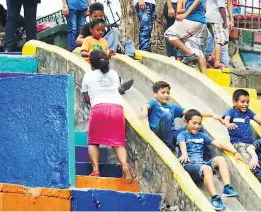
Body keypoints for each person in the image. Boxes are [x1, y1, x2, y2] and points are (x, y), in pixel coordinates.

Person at [81, 50, 135, 183]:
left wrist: (91, 103)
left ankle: (95, 170)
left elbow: (86, 96)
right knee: (118, 142)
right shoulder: (114, 74)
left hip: (99, 108)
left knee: (93, 141)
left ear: (91, 64)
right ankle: (124, 165)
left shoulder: (88, 76)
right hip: (116, 108)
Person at [177, 109, 244, 211]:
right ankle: (215, 198)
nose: (197, 126)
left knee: (220, 159)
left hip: (201, 164)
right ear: (186, 122)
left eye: (199, 124)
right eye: (194, 123)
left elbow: (218, 144)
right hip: (190, 165)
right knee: (207, 168)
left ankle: (227, 187)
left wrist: (235, 152)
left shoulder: (201, 135)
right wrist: (185, 154)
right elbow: (182, 144)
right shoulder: (182, 135)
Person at [138, 81, 223, 151]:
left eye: (168, 93)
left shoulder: (172, 107)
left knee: (197, 125)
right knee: (167, 115)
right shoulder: (154, 103)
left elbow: (191, 113)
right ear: (155, 94)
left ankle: (202, 149)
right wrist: (145, 110)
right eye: (163, 92)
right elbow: (145, 106)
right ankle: (169, 145)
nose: (166, 95)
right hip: (158, 133)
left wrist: (211, 115)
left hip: (172, 135)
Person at [164, 0, 208, 74]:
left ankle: (189, 53)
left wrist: (185, 15)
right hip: (201, 22)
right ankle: (206, 80)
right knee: (198, 51)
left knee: (169, 34)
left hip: (193, 21)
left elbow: (197, 0)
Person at [222, 89, 261, 161]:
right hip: (238, 143)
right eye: (242, 102)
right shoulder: (231, 111)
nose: (246, 104)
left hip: (250, 143)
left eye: (247, 102)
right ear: (234, 102)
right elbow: (226, 119)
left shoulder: (248, 112)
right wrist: (228, 124)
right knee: (247, 159)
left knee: (260, 157)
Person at [205, 0, 228, 69]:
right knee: (219, 40)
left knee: (222, 39)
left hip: (208, 18)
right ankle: (217, 62)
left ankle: (213, 57)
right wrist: (225, 21)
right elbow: (222, 8)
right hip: (215, 19)